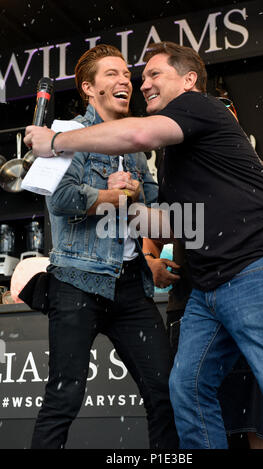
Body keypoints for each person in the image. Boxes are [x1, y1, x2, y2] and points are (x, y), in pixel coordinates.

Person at [24, 41, 263, 449]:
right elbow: (173, 223)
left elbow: (139, 146)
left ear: (188, 80)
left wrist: (63, 147)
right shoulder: (161, 150)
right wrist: (115, 199)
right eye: (127, 75)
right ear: (88, 87)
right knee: (180, 392)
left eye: (150, 74)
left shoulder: (193, 108)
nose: (138, 82)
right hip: (156, 285)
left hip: (241, 274)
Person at [26, 44, 178, 449]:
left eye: (127, 74)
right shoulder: (64, 133)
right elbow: (59, 200)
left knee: (167, 395)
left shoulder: (136, 147)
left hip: (131, 287)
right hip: (77, 282)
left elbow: (155, 211)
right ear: (89, 88)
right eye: (112, 74)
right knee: (64, 399)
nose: (125, 80)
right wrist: (113, 198)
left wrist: (144, 209)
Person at [143, 156, 263, 449]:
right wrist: (149, 260)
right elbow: (153, 231)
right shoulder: (181, 173)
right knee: (187, 394)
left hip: (253, 296)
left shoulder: (260, 170)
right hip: (195, 301)